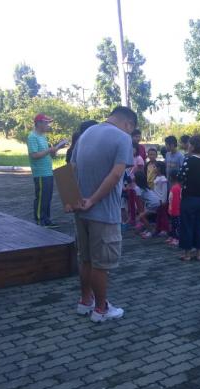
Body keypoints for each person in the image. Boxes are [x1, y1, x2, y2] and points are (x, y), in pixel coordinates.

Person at [70, 106, 138, 323]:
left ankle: (85, 301)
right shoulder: (123, 138)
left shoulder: (86, 133)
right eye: (131, 129)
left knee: (86, 259)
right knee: (101, 264)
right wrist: (93, 200)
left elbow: (71, 168)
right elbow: (117, 174)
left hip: (80, 211)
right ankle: (101, 309)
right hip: (103, 213)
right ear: (128, 124)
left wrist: (70, 200)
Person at [27, 113, 67, 227]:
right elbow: (34, 155)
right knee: (41, 197)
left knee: (47, 197)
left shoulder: (43, 137)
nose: (48, 125)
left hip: (48, 171)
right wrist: (50, 150)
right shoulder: (32, 137)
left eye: (48, 123)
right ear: (38, 123)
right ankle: (40, 220)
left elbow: (47, 154)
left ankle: (46, 219)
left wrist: (56, 149)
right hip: (40, 173)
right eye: (46, 123)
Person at [178, 135, 200, 261]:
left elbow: (180, 176)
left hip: (189, 198)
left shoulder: (189, 160)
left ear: (192, 146)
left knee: (187, 225)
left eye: (189, 144)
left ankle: (187, 254)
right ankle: (199, 253)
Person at [133, 171, 162, 239]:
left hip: (152, 204)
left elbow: (139, 202)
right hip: (157, 202)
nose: (133, 177)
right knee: (144, 216)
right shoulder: (145, 187)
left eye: (134, 176)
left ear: (137, 179)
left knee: (141, 217)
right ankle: (148, 229)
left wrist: (140, 212)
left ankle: (151, 231)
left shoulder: (137, 188)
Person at [153, 162, 169, 235]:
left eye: (155, 167)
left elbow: (164, 191)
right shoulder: (156, 177)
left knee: (163, 215)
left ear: (159, 168)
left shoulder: (163, 179)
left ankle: (164, 229)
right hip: (157, 200)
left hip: (161, 201)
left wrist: (163, 201)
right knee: (158, 215)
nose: (154, 169)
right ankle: (158, 228)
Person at [166, 171, 181, 247]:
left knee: (177, 225)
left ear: (172, 178)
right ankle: (173, 237)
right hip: (173, 210)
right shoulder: (175, 187)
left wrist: (174, 211)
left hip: (175, 211)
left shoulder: (175, 188)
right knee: (173, 225)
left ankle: (177, 239)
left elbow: (176, 202)